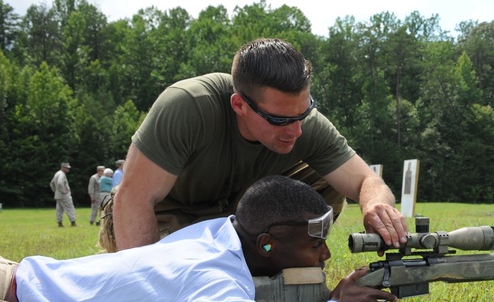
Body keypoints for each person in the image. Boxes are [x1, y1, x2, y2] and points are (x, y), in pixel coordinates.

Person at [0, 175, 397, 302]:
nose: (325, 254)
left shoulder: (214, 234)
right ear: (267, 244)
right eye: (316, 245)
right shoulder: (207, 277)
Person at [104, 38, 408, 253]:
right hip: (169, 211)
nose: (296, 130)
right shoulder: (189, 106)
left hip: (234, 215)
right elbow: (134, 199)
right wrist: (147, 283)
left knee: (317, 178)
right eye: (280, 120)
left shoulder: (302, 123)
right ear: (239, 104)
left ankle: (282, 256)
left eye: (303, 113)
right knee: (189, 271)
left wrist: (374, 205)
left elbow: (367, 179)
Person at [49, 162, 76, 227]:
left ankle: (59, 223)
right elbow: (60, 183)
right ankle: (73, 222)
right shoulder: (62, 174)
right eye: (67, 168)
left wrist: (55, 190)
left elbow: (51, 183)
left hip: (58, 195)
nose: (68, 169)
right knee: (70, 208)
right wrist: (64, 191)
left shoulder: (57, 173)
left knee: (59, 210)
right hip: (64, 195)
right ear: (62, 167)